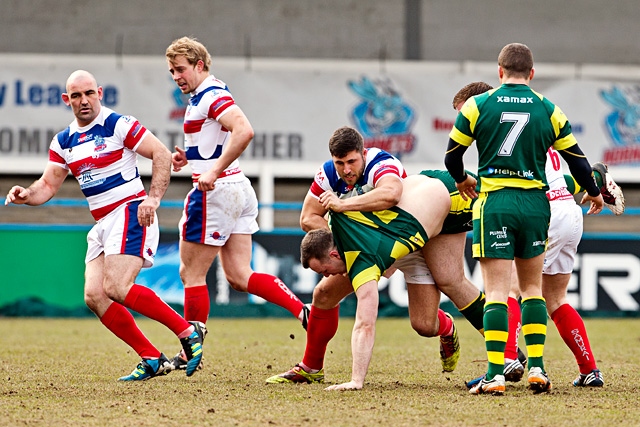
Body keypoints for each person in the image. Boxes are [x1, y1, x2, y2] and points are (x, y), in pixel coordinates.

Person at [4, 70, 206, 381]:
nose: (84, 101)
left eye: (89, 93)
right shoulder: (64, 141)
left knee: (116, 287)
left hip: (129, 210)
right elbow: (47, 184)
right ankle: (151, 358)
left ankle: (186, 331)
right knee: (95, 295)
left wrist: (153, 199)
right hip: (102, 222)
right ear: (66, 100)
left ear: (99, 93)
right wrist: (26, 194)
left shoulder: (117, 124)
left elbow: (161, 154)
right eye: (76, 96)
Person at [266, 126, 489, 385]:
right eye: (340, 163)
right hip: (370, 247)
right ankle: (311, 367)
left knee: (425, 324)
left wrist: (343, 207)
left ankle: (453, 330)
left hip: (411, 243)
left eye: (351, 162)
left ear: (362, 154)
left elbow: (392, 194)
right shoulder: (328, 174)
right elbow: (308, 217)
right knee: (323, 294)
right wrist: (341, 245)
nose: (346, 170)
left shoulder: (380, 163)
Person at [444, 43, 604, 395]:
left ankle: (496, 374)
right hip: (538, 204)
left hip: (496, 202)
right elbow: (578, 161)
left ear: (499, 71)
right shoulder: (549, 108)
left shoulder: (477, 105)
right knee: (535, 290)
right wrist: (593, 190)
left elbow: (452, 157)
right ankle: (538, 369)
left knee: (499, 291)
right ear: (532, 73)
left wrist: (461, 180)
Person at [165, 36, 307, 369]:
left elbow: (244, 130)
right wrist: (193, 157)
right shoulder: (208, 93)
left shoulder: (211, 95)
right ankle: (303, 311)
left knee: (191, 273)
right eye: (171, 71)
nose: (176, 76)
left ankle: (191, 353)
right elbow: (220, 138)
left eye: (181, 69)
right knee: (240, 276)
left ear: (199, 65)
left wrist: (211, 169)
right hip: (238, 187)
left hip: (216, 192)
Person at [299, 174, 454, 390]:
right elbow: (307, 218)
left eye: (324, 270)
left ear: (334, 255)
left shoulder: (363, 262)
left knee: (454, 290)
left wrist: (356, 381)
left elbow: (365, 324)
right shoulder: (336, 220)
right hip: (395, 239)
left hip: (423, 236)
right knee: (424, 326)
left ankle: (502, 357)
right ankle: (310, 368)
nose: (326, 275)